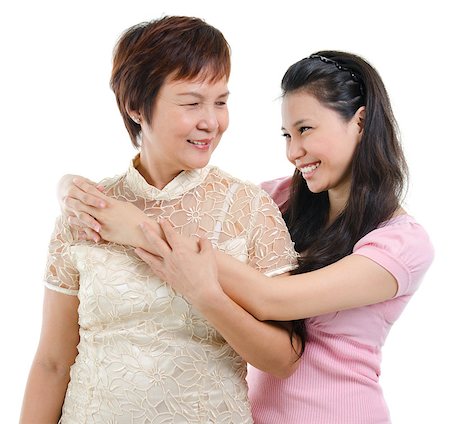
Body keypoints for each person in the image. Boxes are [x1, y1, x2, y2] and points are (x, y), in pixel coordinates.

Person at [58, 51, 434, 423]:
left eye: (305, 130)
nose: (293, 151)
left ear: (361, 122)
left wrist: (140, 230)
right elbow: (194, 206)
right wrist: (73, 192)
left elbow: (274, 300)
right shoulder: (276, 199)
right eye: (287, 134)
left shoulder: (402, 244)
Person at [20, 16, 302, 424]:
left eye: (221, 101)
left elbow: (283, 359)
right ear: (136, 107)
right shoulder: (86, 208)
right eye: (191, 103)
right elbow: (51, 361)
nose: (212, 121)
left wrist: (206, 294)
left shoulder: (248, 208)